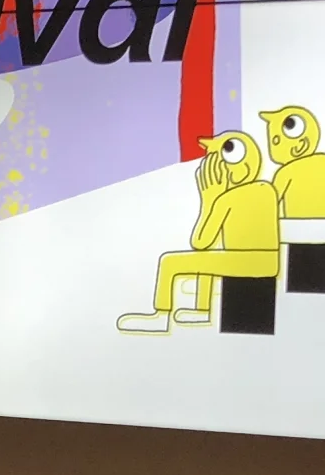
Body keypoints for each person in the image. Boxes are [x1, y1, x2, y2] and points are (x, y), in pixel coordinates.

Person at [118, 131, 279, 333]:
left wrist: (209, 201)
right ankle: (202, 310)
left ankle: (161, 317)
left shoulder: (225, 199)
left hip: (244, 262)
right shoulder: (267, 190)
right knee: (211, 258)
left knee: (170, 263)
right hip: (268, 261)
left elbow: (200, 241)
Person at [259, 105, 325, 293]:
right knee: (315, 281)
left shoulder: (286, 172)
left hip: (297, 231)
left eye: (276, 140)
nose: (273, 146)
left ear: (301, 143)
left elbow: (270, 202)